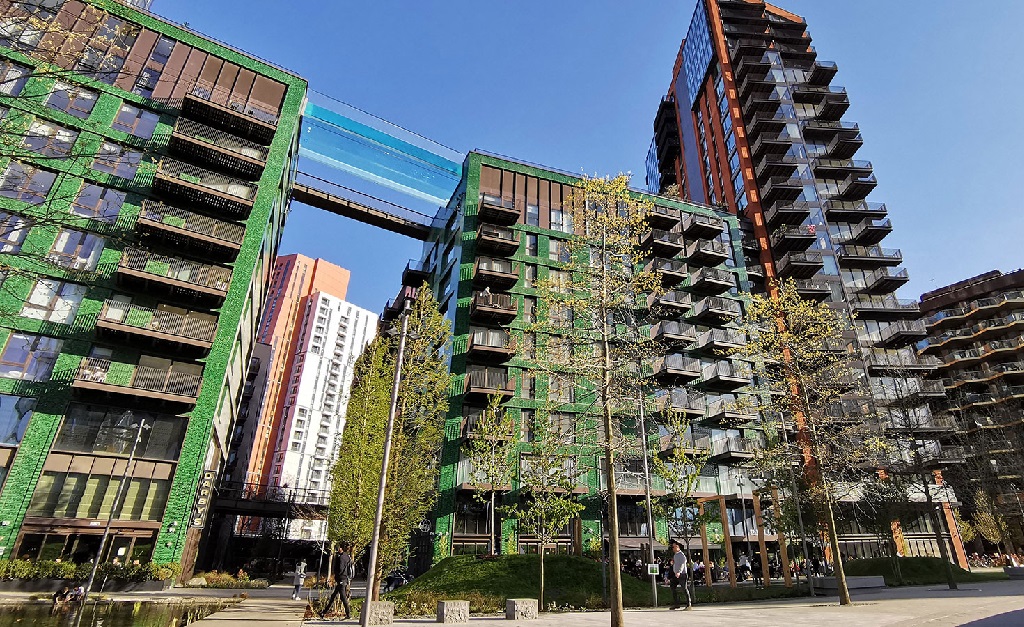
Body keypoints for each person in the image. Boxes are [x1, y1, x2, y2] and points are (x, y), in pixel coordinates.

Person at [322, 543, 354, 619]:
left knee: (343, 597)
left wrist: (336, 576)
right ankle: (323, 612)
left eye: (338, 548)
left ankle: (348, 614)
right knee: (333, 596)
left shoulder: (341, 557)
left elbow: (340, 568)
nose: (337, 549)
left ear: (341, 548)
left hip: (341, 579)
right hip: (344, 579)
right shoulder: (347, 556)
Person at [667, 541, 692, 610]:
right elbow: (675, 565)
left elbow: (682, 564)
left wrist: (679, 572)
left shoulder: (682, 555)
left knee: (684, 588)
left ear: (677, 547)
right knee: (672, 586)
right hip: (676, 575)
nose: (673, 548)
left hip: (682, 574)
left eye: (674, 547)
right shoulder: (675, 555)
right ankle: (676, 603)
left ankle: (689, 604)